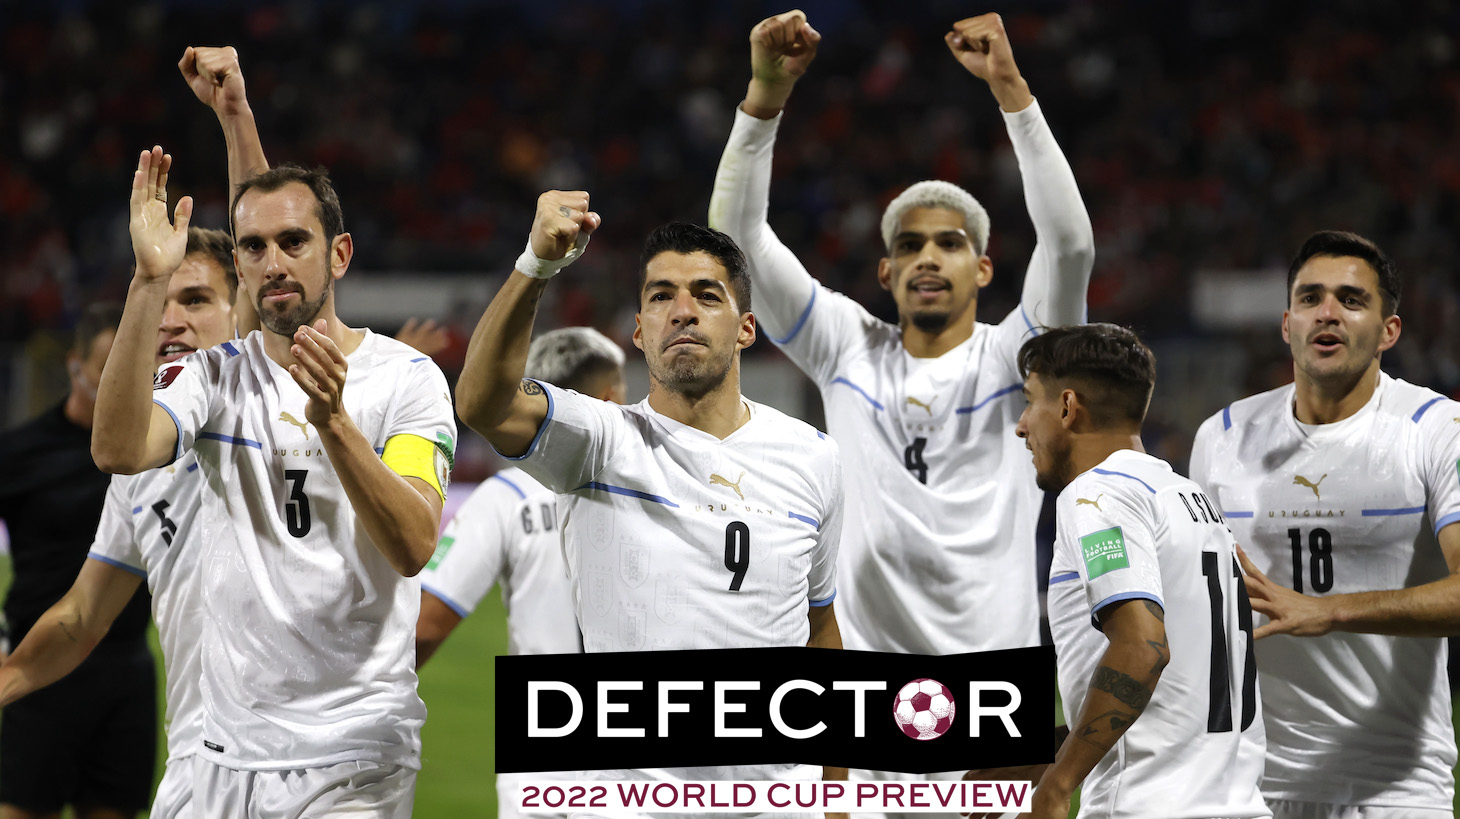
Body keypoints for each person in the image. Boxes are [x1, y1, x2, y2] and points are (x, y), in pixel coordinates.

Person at [709, 11, 1093, 809]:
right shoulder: (847, 346)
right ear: (883, 271)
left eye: (949, 243)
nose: (928, 257)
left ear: (985, 268)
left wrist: (1011, 92)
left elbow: (1071, 248)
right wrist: (766, 95)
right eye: (911, 245)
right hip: (859, 691)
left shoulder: (1015, 355)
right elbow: (735, 238)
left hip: (995, 690)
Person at [91, 146, 455, 816]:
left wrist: (335, 423)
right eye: (253, 247)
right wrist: (147, 281)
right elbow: (117, 449)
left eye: (294, 241)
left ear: (339, 254)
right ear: (240, 267)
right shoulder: (213, 375)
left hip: (357, 751)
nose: (273, 263)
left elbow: (412, 543)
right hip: (232, 755)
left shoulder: (407, 379)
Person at [453, 192, 845, 812]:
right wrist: (536, 264)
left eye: (707, 295)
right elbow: (481, 403)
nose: (682, 312)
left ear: (746, 327)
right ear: (638, 331)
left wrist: (837, 791)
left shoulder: (814, 457)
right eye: (661, 296)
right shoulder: (601, 440)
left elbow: (820, 626)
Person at [1190, 230, 1460, 819]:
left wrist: (1330, 609)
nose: (1327, 312)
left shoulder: (1437, 429)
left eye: (1351, 299)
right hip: (1247, 786)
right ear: (1287, 324)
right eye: (1310, 298)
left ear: (1389, 330)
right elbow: (1200, 614)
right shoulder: (1223, 436)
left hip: (1393, 788)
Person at [0, 227, 240, 819]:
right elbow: (82, 615)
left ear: (247, 308)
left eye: (196, 300)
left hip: (314, 759)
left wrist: (239, 132)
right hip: (197, 760)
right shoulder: (137, 469)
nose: (172, 320)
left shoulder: (281, 413)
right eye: (160, 305)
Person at [1011, 323, 1268, 819]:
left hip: (1148, 806)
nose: (1022, 425)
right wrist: (1055, 750)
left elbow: (1142, 648)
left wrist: (1058, 783)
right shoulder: (1192, 500)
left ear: (1066, 407)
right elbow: (1181, 686)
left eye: (1029, 402)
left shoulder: (1096, 495)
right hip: (1235, 803)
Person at [418, 326, 625, 819]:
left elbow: (425, 627)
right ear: (609, 397)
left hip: (542, 749)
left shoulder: (507, 497)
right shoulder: (657, 486)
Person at [0, 303, 156, 819]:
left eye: (130, 368)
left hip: (125, 672)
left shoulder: (154, 453)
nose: (119, 381)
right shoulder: (21, 453)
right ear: (73, 367)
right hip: (40, 666)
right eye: (105, 367)